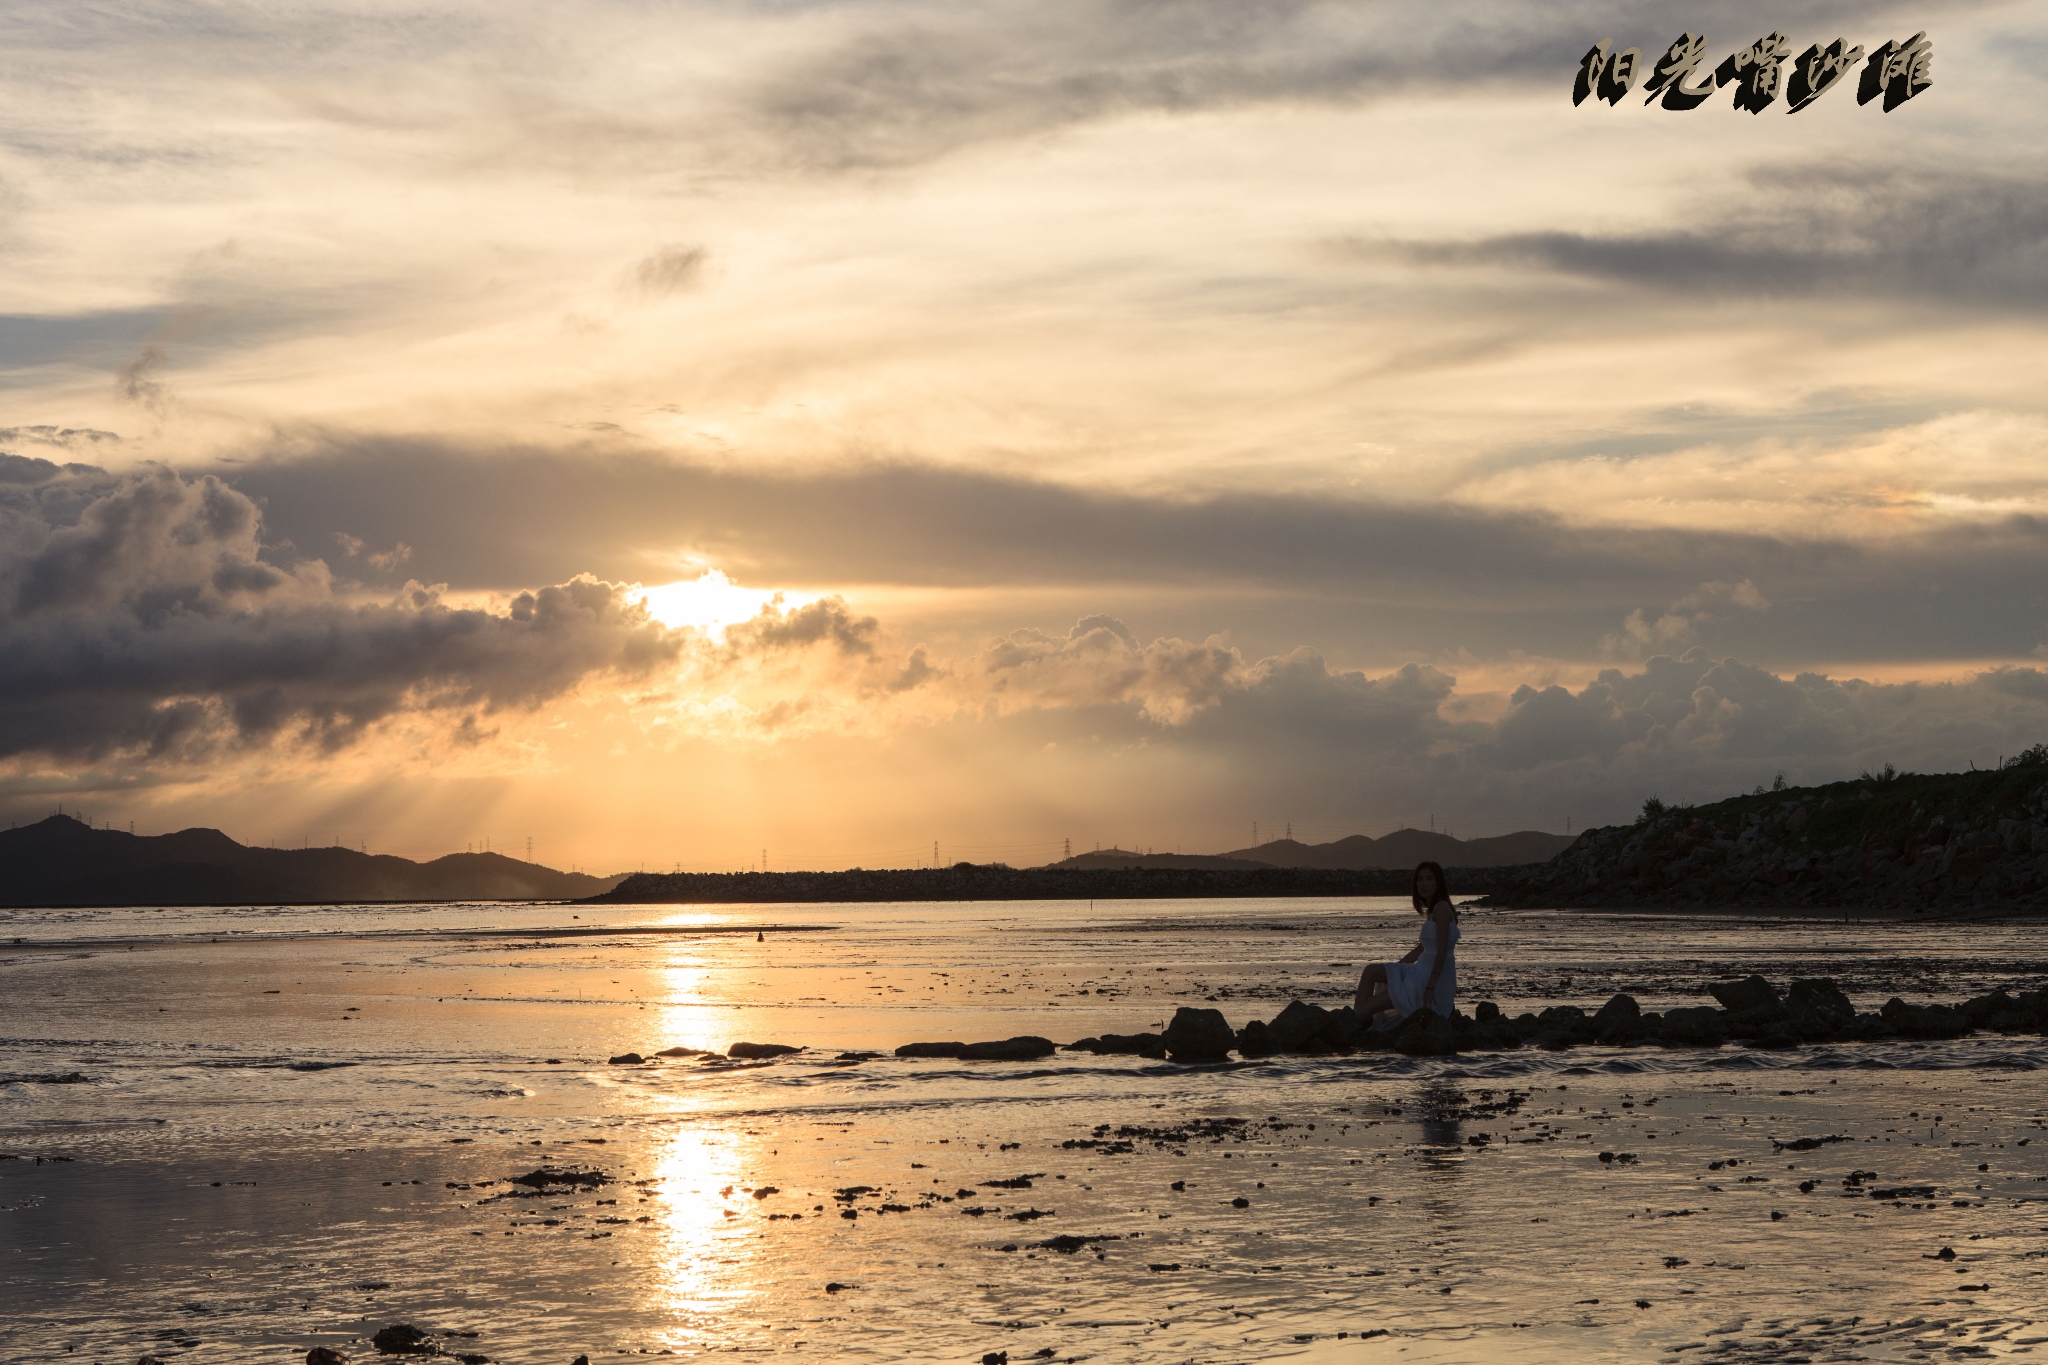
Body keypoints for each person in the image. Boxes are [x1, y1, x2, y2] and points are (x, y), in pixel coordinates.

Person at [1354, 861, 1459, 1023]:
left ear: (1439, 882)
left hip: (1429, 981)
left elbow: (1442, 951)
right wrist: (1396, 969)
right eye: (1420, 879)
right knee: (1371, 971)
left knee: (1367, 1006)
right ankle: (1357, 1020)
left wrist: (1431, 985)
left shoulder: (1442, 909)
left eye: (1429, 879)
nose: (1423, 884)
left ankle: (1354, 1023)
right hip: (1419, 972)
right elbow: (1421, 949)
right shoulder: (1433, 911)